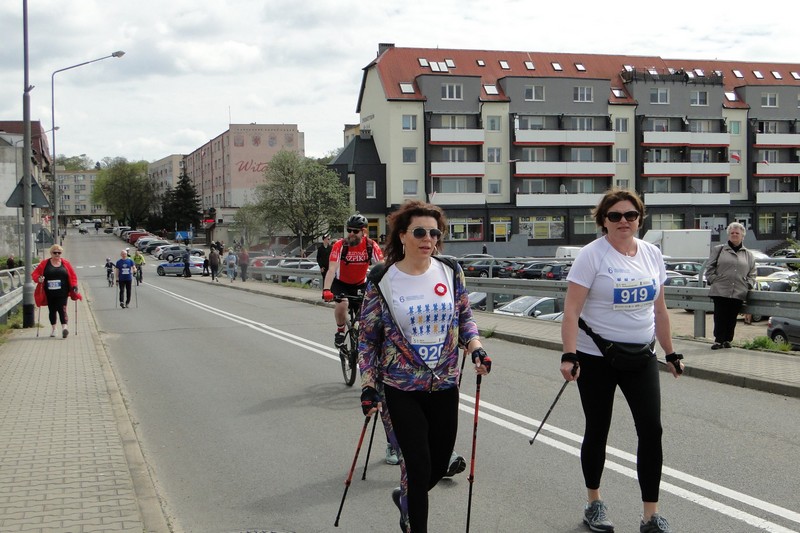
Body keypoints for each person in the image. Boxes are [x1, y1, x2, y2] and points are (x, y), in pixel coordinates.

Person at [358, 200, 491, 533]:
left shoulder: (450, 270)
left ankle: (406, 498)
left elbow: (465, 317)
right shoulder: (382, 278)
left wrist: (476, 347)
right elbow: (368, 339)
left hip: (444, 384)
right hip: (400, 387)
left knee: (437, 463)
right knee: (417, 466)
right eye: (420, 232)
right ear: (402, 235)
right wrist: (368, 385)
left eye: (435, 233)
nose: (428, 239)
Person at [560, 188, 684, 533]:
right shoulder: (591, 256)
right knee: (598, 428)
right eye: (615, 216)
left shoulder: (651, 254)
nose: (623, 221)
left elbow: (660, 310)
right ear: (603, 221)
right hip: (596, 356)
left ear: (640, 219)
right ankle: (594, 503)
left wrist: (671, 352)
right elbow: (571, 310)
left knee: (651, 430)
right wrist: (569, 354)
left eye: (631, 215)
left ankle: (650, 516)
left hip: (642, 355)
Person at [322, 214, 384, 347]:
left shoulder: (371, 245)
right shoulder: (340, 245)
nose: (351, 234)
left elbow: (382, 267)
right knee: (342, 304)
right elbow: (332, 269)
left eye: (355, 231)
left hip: (360, 283)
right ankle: (340, 331)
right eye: (349, 230)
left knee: (367, 314)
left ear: (364, 232)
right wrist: (326, 289)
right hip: (341, 283)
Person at [705, 222, 757, 349]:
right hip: (720, 290)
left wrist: (747, 285)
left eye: (737, 233)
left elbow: (752, 273)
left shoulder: (748, 255)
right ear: (728, 235)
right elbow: (710, 267)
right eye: (732, 233)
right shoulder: (719, 250)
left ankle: (727, 340)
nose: (734, 235)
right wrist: (714, 280)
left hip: (738, 291)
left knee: (732, 317)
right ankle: (718, 340)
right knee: (720, 316)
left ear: (742, 235)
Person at [32, 244, 81, 338]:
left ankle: (64, 328)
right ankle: (54, 329)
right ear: (51, 253)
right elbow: (35, 274)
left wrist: (74, 286)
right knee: (52, 310)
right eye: (55, 253)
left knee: (62, 309)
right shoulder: (44, 264)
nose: (57, 254)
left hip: (62, 292)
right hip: (49, 292)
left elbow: (73, 276)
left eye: (59, 253)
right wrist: (39, 279)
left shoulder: (66, 263)